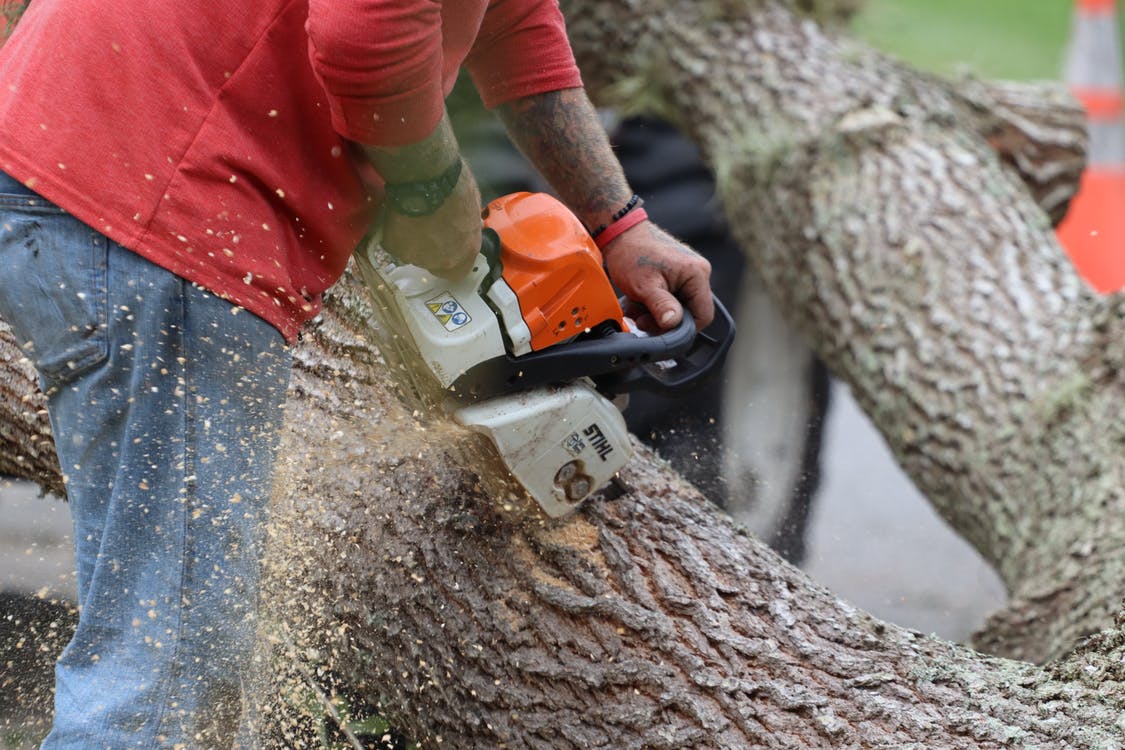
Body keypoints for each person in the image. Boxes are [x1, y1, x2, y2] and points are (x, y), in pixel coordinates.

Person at [0, 1, 713, 747]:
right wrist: (431, 189)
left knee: (161, 643)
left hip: (55, 169)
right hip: (168, 212)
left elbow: (516, 20)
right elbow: (364, 33)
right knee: (165, 679)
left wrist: (618, 221)